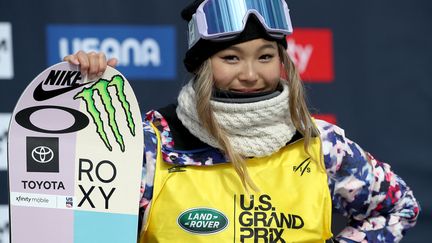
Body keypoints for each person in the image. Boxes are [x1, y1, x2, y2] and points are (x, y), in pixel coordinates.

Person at [64, 0, 420, 242]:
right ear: (203, 65)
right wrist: (79, 96)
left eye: (265, 56)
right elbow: (82, 228)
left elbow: (397, 207)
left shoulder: (320, 144)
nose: (251, 73)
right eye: (231, 58)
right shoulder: (151, 144)